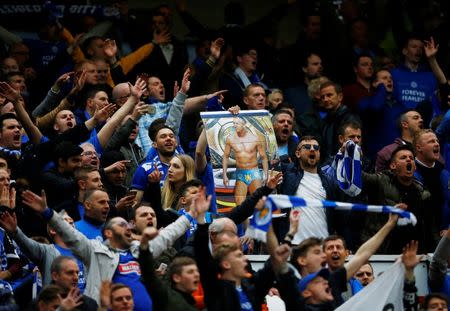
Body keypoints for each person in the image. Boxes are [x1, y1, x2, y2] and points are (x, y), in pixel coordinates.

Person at [20, 188, 209, 310]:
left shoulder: (139, 250)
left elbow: (169, 234)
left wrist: (192, 213)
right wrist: (47, 213)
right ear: (108, 233)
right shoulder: (95, 251)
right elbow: (71, 234)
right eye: (121, 225)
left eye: (128, 225)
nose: (128, 228)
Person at [138, 227, 199, 311]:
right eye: (190, 272)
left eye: (196, 271)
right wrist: (144, 246)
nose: (196, 275)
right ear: (176, 277)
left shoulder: (191, 303)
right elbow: (148, 274)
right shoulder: (166, 296)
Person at [222, 115, 268, 205]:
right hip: (240, 173)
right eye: (233, 123)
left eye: (237, 123)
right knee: (239, 204)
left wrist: (266, 175)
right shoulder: (230, 139)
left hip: (254, 172)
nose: (235, 125)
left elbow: (264, 157)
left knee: (259, 203)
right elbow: (225, 156)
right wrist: (224, 174)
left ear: (244, 124)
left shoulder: (255, 139)